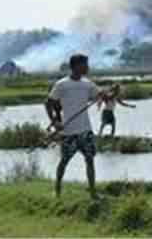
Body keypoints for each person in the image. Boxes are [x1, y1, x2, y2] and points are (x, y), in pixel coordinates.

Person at [45, 53, 105, 199]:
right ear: (76, 66)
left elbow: (100, 95)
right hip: (69, 131)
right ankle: (57, 190)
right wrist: (55, 121)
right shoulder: (62, 84)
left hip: (85, 129)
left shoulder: (88, 84)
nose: (87, 67)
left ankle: (93, 193)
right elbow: (49, 103)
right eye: (85, 64)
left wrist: (110, 93)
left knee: (90, 160)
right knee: (64, 161)